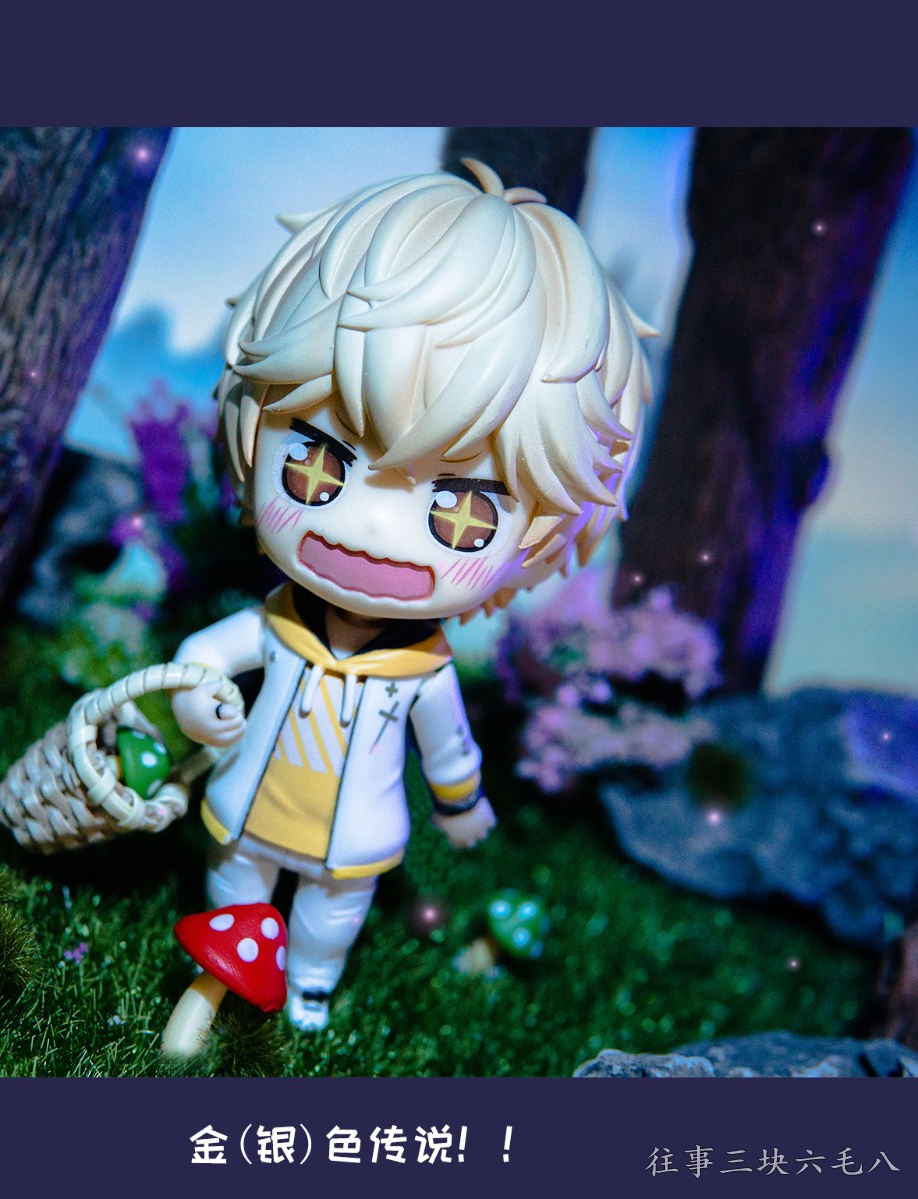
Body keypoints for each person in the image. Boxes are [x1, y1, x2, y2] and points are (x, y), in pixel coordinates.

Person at [171, 159, 653, 1030]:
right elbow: (206, 654)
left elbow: (449, 743)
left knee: (330, 915)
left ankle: (309, 986)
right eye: (319, 460)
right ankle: (229, 950)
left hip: (354, 835)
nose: (369, 527)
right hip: (248, 801)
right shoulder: (274, 625)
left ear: (538, 532)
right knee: (234, 878)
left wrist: (461, 804)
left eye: (462, 510)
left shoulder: (421, 670)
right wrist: (197, 692)